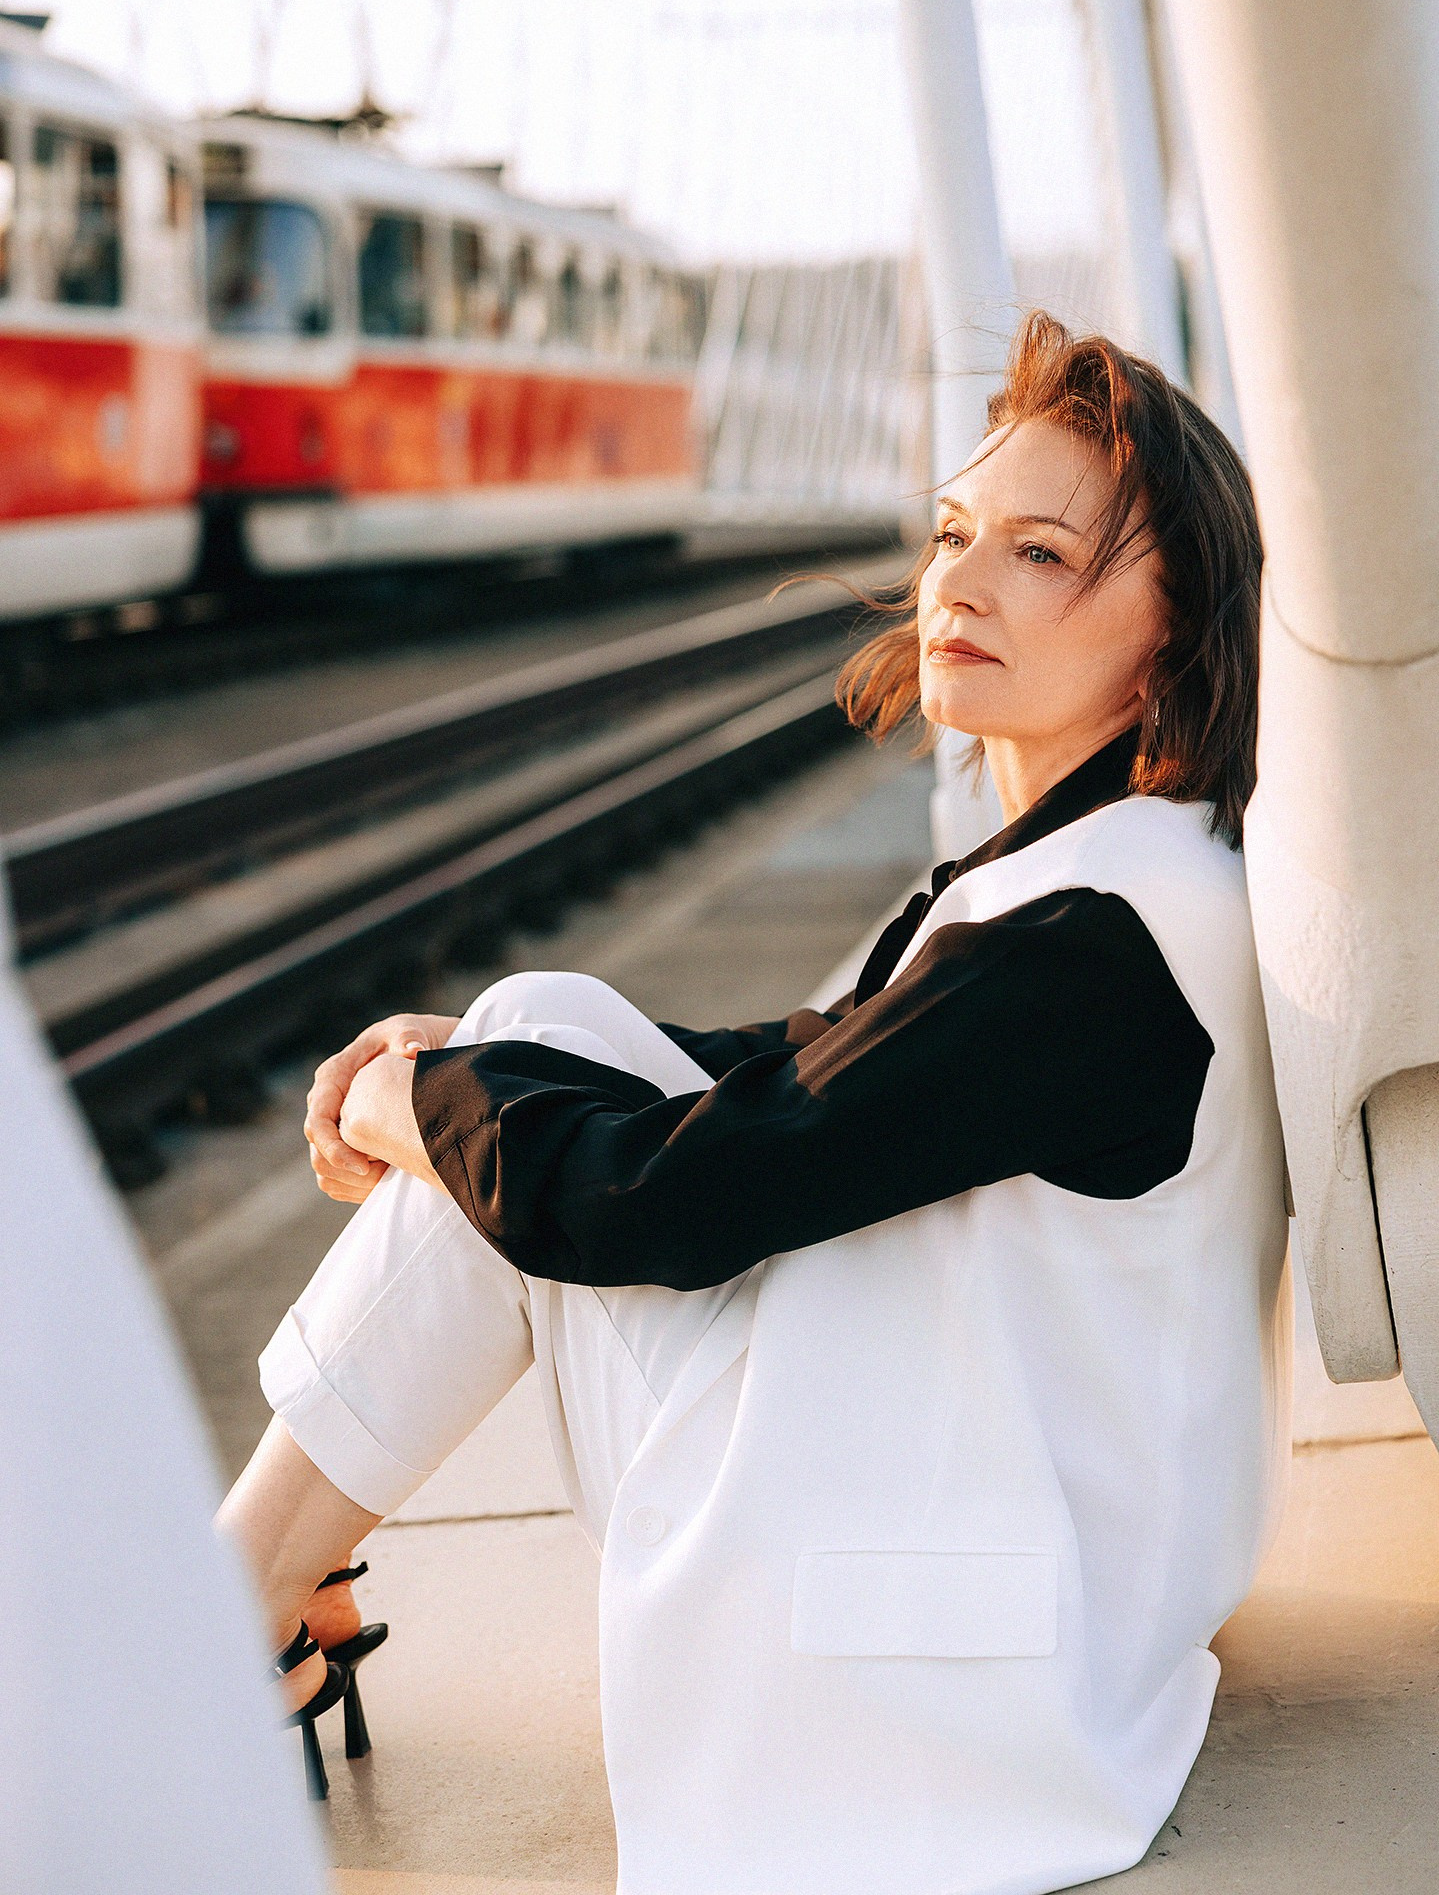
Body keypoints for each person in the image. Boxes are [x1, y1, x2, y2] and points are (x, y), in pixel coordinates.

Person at [218, 312, 1291, 1894]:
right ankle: (268, 1589)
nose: (961, 584)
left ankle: (233, 1607)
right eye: (951, 534)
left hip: (936, 1686)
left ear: (1175, 625)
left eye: (1044, 555)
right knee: (537, 1036)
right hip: (1030, 1581)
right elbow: (824, 1060)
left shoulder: (1089, 945)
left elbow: (658, 1202)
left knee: (517, 1094)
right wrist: (466, 1075)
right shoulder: (1130, 872)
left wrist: (422, 1115)